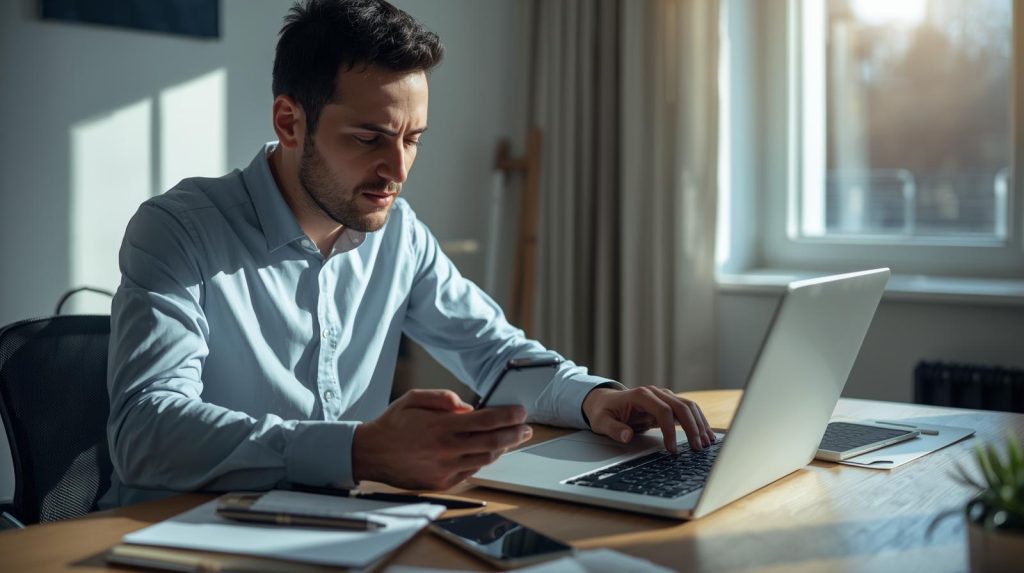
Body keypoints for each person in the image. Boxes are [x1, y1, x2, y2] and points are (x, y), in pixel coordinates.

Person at [103, 0, 715, 507]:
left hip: (342, 528)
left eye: (412, 139)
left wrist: (593, 397)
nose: (396, 169)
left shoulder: (399, 233)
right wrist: (358, 449)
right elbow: (145, 430)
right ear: (290, 122)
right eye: (369, 138)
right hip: (185, 536)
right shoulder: (177, 231)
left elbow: (496, 356)